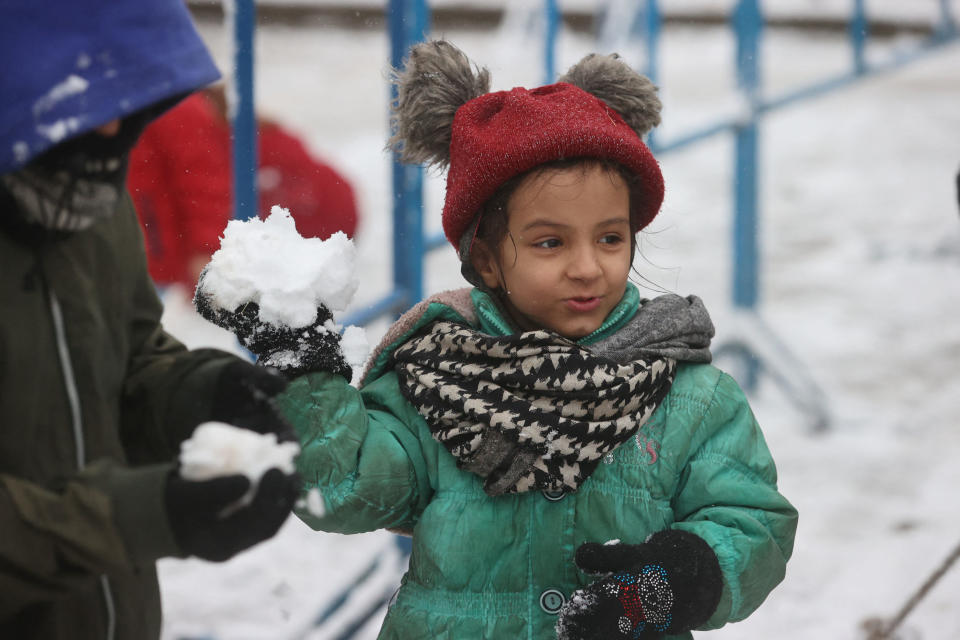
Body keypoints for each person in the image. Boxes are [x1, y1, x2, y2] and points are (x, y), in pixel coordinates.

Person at [255, 41, 796, 639]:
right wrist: (304, 370)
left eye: (610, 238)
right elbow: (346, 489)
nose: (588, 266)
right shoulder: (435, 379)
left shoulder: (690, 396)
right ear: (485, 260)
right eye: (550, 243)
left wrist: (671, 581)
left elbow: (753, 522)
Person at [0, 1, 300, 638]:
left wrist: (200, 394)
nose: (113, 129)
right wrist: (132, 518)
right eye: (72, 88)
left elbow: (124, 353)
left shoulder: (82, 193)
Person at [128, 85, 359, 289]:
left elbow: (206, 190)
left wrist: (206, 251)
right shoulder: (206, 122)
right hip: (322, 212)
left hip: (318, 215)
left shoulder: (179, 115)